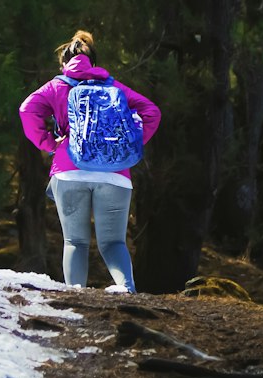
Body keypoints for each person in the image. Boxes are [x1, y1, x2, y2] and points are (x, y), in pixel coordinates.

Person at [18, 30, 160, 293]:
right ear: (93, 63)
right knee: (114, 242)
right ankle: (127, 290)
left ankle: (76, 296)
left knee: (75, 242)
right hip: (115, 174)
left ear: (64, 64)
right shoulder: (114, 87)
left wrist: (49, 144)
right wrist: (129, 144)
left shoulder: (56, 86)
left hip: (70, 171)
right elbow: (152, 111)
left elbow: (27, 110)